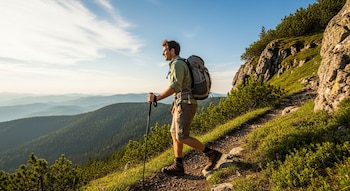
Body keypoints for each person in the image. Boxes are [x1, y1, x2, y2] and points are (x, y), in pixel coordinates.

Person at [147, 40, 222, 176]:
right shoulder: (177, 64)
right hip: (181, 102)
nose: (162, 53)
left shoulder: (177, 64)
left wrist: (156, 98)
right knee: (174, 133)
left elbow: (175, 86)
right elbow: (180, 88)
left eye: (165, 50)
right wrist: (174, 104)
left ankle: (212, 154)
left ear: (172, 51)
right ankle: (178, 165)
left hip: (186, 103)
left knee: (182, 136)